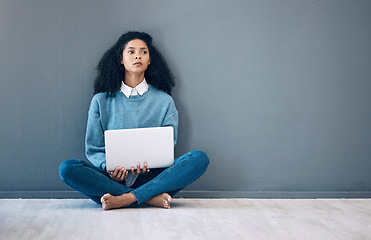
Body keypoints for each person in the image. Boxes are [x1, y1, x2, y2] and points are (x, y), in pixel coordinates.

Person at [59, 31, 209, 210]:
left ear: (150, 60)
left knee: (199, 159)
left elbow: (167, 145)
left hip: (153, 177)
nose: (138, 55)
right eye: (131, 51)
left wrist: (152, 165)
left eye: (143, 52)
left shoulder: (164, 101)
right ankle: (148, 198)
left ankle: (124, 199)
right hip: (113, 178)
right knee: (68, 168)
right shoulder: (100, 101)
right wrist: (110, 168)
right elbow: (94, 148)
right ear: (121, 59)